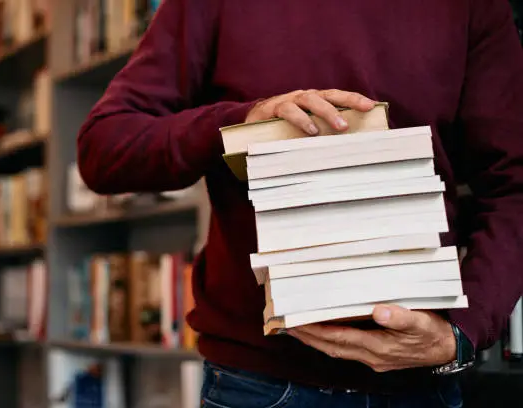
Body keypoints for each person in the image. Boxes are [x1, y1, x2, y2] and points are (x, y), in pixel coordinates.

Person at [77, 0, 523, 406]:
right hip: (260, 381)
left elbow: (513, 185)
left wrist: (463, 331)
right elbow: (103, 149)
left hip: (421, 381)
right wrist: (239, 122)